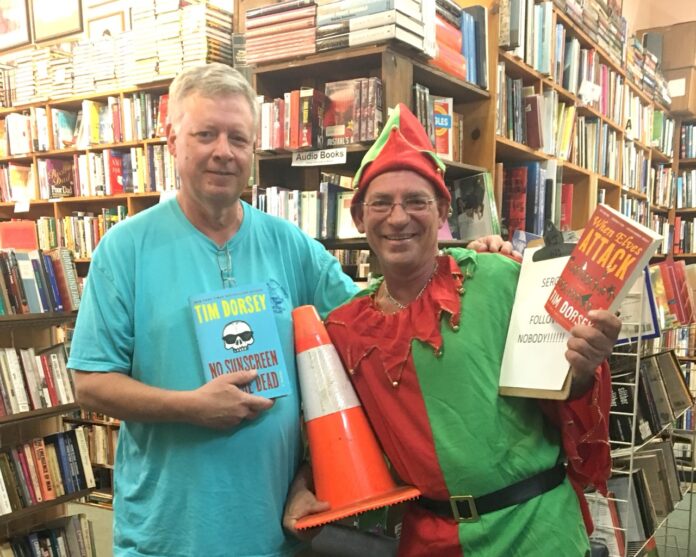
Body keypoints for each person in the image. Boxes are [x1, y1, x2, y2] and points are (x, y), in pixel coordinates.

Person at [67, 63, 513, 557]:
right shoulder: (124, 249)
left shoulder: (289, 244)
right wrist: (192, 408)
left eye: (238, 138)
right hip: (167, 535)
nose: (223, 151)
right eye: (205, 134)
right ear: (172, 139)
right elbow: (90, 382)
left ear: (253, 150)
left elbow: (379, 320)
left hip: (275, 533)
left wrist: (463, 268)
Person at [285, 103, 621, 556]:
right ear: (358, 216)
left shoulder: (500, 276)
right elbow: (336, 435)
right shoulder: (344, 328)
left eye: (417, 201)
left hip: (536, 532)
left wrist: (585, 364)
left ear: (443, 209)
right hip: (430, 540)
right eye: (381, 202)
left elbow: (565, 391)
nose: (398, 217)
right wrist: (303, 485)